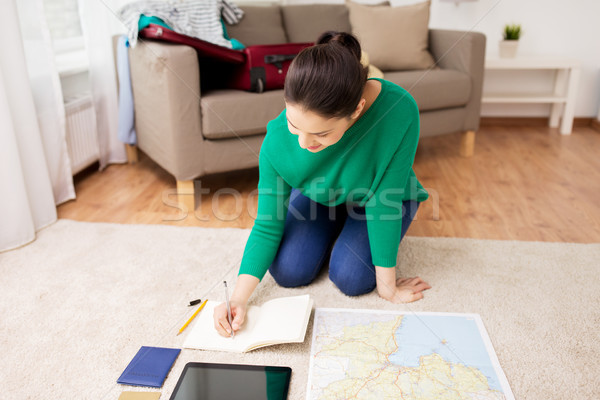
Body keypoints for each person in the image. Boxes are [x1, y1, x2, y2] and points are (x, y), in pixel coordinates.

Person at [213, 31, 431, 337]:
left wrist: (389, 289)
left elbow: (386, 202)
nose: (303, 143)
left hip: (379, 195)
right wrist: (238, 298)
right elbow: (266, 224)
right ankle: (335, 226)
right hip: (321, 194)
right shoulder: (277, 140)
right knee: (289, 272)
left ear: (356, 110)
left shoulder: (399, 110)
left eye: (321, 135)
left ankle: (346, 234)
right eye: (294, 125)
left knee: (352, 278)